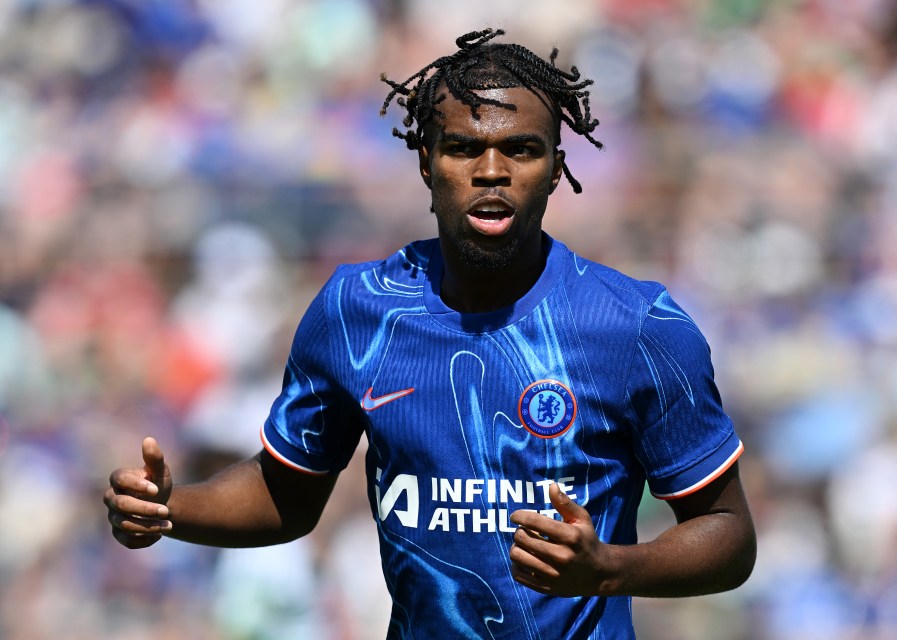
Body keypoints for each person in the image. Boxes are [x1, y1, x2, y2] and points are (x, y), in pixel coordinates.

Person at [105, 28, 756, 639]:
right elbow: (288, 494)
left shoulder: (635, 325)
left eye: (521, 149)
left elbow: (728, 533)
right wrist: (170, 510)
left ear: (557, 168)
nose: (492, 170)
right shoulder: (357, 312)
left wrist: (611, 568)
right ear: (426, 162)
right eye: (464, 148)